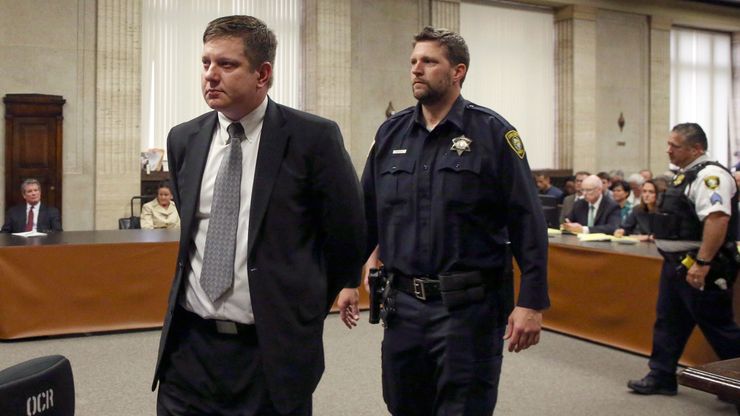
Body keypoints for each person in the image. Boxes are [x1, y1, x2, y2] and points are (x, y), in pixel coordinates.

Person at [152, 15, 366, 415]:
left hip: (269, 353)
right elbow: (191, 227)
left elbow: (347, 234)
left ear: (262, 74)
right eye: (205, 63)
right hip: (189, 348)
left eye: (226, 65)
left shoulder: (312, 138)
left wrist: (301, 311)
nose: (210, 76)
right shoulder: (184, 139)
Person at [357, 26, 549, 416]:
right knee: (403, 404)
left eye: (429, 62)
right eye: (413, 61)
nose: (416, 70)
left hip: (469, 309)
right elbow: (367, 214)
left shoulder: (493, 133)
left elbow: (527, 221)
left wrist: (531, 301)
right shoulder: (391, 132)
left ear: (458, 71)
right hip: (403, 307)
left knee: (463, 408)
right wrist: (347, 279)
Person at [628, 123, 740, 396]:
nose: (668, 150)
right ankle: (662, 375)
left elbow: (717, 219)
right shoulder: (685, 176)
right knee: (669, 321)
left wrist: (702, 263)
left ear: (696, 148)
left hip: (702, 265)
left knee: (718, 327)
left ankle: (736, 384)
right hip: (677, 265)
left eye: (674, 145)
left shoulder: (710, 176)